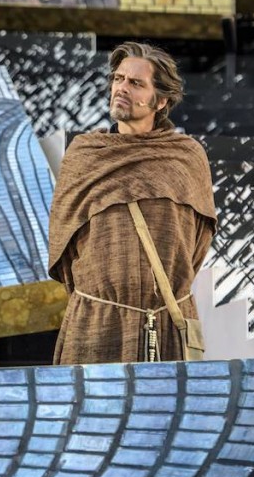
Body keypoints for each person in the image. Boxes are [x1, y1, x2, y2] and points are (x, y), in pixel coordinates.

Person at [47, 41, 216, 364]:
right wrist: (103, 290)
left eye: (136, 83)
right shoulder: (85, 155)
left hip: (167, 321)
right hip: (96, 323)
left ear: (161, 100)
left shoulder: (185, 157)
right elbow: (62, 245)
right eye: (118, 79)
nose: (121, 88)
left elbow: (197, 242)